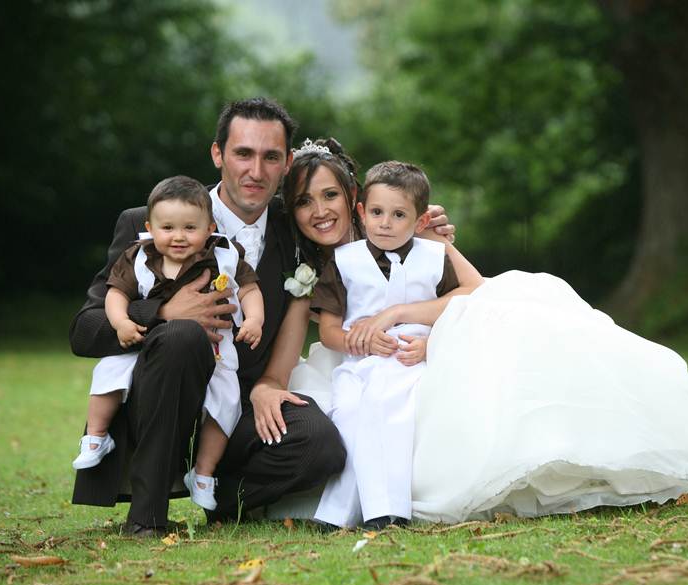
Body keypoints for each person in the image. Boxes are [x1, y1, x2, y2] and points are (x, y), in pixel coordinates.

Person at [274, 140, 688, 524]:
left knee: (530, 337)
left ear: (353, 199)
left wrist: (416, 318)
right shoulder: (308, 265)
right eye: (304, 201)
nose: (320, 210)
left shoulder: (408, 226)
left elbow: (475, 289)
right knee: (369, 406)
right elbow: (327, 330)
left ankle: (588, 444)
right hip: (362, 360)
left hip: (441, 327)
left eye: (330, 195)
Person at [70, 99, 457, 535]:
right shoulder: (153, 221)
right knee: (182, 336)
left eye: (270, 157)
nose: (256, 171)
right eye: (243, 154)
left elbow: (349, 217)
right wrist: (161, 312)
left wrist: (419, 230)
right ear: (218, 154)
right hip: (163, 399)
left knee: (321, 445)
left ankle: (222, 497)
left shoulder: (295, 225)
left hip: (240, 409)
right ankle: (147, 516)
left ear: (287, 163)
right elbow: (84, 331)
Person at [72, 176, 264, 513]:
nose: (178, 236)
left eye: (190, 228)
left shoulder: (224, 255)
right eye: (168, 228)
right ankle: (97, 437)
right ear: (150, 228)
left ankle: (203, 473)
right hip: (145, 346)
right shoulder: (139, 256)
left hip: (217, 352)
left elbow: (248, 289)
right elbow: (115, 295)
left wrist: (254, 320)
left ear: (210, 228)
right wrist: (123, 323)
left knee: (226, 404)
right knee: (109, 373)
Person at [311, 160, 468, 529]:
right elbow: (328, 331)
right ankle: (338, 511)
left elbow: (462, 302)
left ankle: (387, 510)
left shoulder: (435, 257)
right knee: (348, 412)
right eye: (377, 212)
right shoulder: (344, 262)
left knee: (387, 404)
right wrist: (357, 342)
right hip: (358, 362)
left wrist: (430, 346)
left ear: (420, 221)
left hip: (409, 359)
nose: (385, 223)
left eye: (399, 215)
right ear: (361, 212)